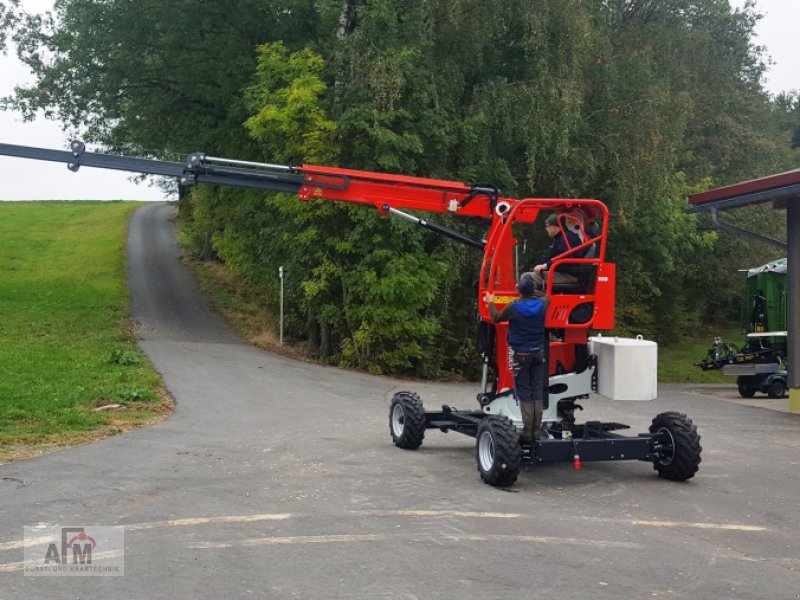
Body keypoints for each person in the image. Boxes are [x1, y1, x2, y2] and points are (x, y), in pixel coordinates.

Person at [484, 272, 550, 443]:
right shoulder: (543, 303)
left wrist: (490, 302)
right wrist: (528, 290)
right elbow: (543, 294)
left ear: (519, 290)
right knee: (537, 391)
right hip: (538, 353)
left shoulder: (513, 307)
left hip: (521, 355)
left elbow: (496, 318)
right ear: (534, 289)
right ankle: (536, 431)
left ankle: (528, 432)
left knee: (526, 394)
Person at [532, 213, 582, 288]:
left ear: (555, 227)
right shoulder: (563, 238)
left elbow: (564, 259)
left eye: (547, 226)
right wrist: (543, 265)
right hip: (565, 273)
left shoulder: (567, 239)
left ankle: (535, 299)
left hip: (569, 275)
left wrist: (545, 266)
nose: (546, 229)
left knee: (528, 277)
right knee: (531, 276)